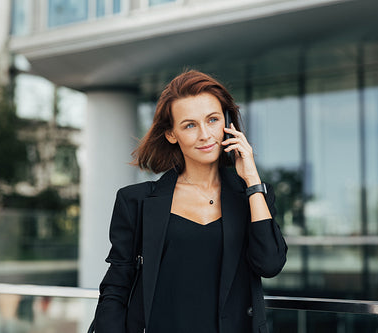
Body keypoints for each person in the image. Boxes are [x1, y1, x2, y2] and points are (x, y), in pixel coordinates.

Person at [93, 70, 287, 333]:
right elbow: (116, 286)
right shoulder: (136, 201)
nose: (205, 134)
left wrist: (252, 180)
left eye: (213, 120)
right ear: (172, 134)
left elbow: (270, 264)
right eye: (190, 125)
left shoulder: (253, 197)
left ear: (227, 123)